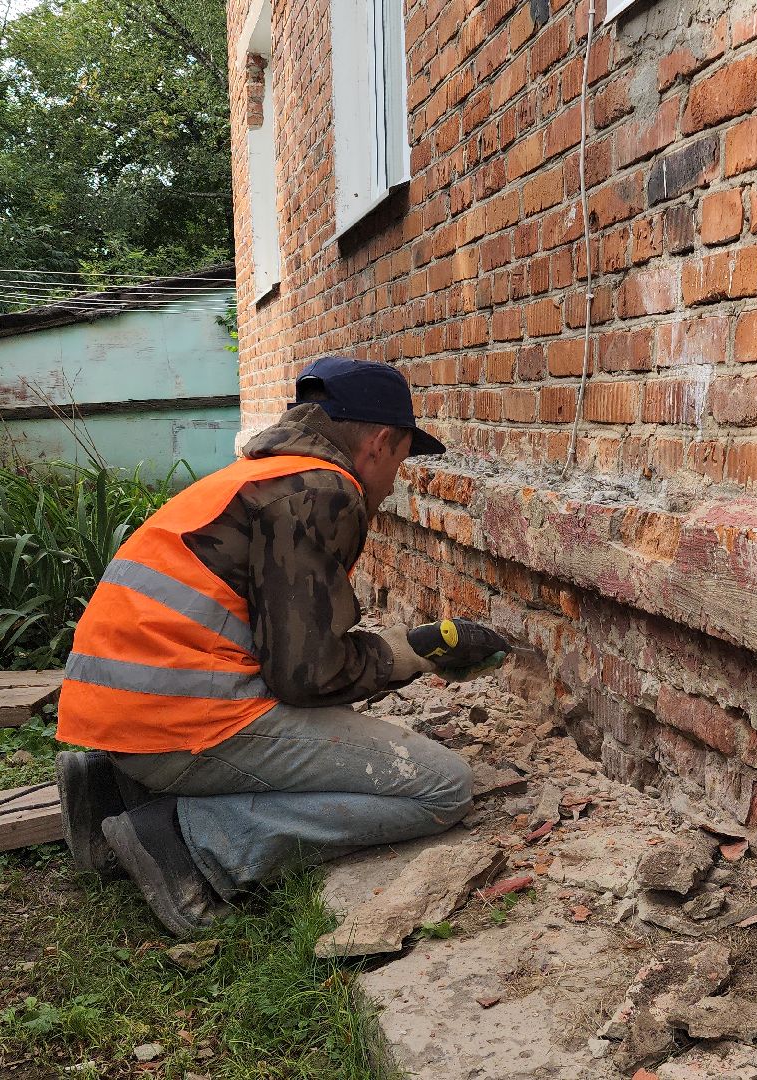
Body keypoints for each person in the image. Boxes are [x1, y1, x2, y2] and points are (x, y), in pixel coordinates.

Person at [51, 356, 511, 936]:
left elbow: (276, 644)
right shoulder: (323, 490)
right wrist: (408, 656)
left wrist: (410, 648)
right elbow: (305, 677)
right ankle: (186, 844)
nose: (394, 482)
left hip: (120, 710)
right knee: (444, 786)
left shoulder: (261, 476)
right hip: (182, 722)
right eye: (400, 460)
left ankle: (109, 789)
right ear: (380, 442)